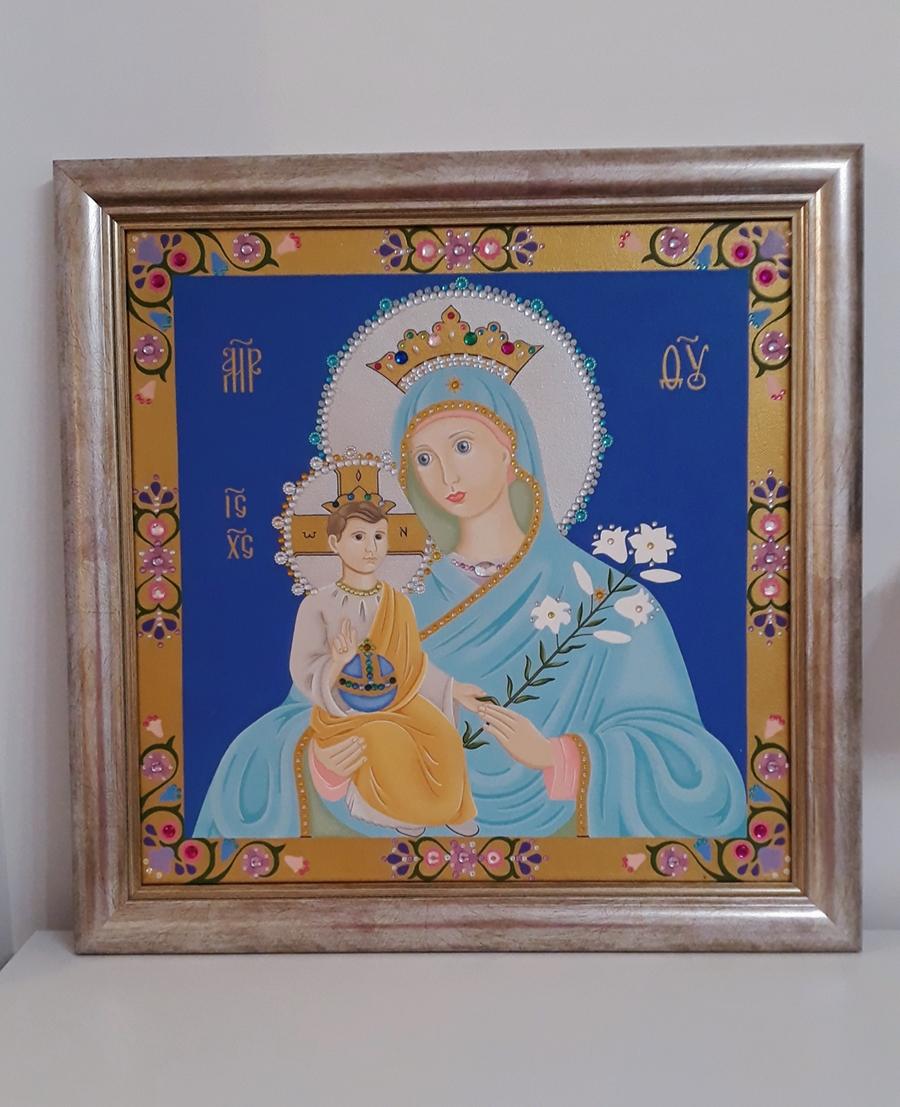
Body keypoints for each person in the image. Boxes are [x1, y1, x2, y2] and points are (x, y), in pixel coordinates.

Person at [195, 362, 745, 840]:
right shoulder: (393, 598)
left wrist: (560, 757)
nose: (446, 475)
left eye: (462, 446)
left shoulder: (608, 603)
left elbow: (697, 777)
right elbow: (299, 721)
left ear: (511, 451)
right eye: (424, 458)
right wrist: (324, 765)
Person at [292, 499, 479, 835]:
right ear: (335, 543)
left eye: (379, 537)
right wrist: (337, 662)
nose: (371, 548)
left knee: (444, 736)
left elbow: (412, 665)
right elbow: (304, 671)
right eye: (359, 537)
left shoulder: (398, 602)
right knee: (387, 739)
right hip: (346, 710)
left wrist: (453, 688)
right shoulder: (317, 605)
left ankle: (452, 809)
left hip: (399, 700)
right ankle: (403, 814)